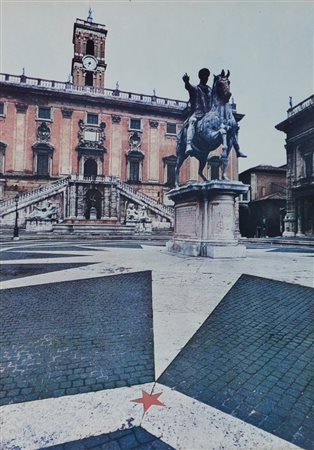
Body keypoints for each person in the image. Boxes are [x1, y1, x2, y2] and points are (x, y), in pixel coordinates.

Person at [183, 68, 212, 155]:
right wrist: (186, 82)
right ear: (200, 77)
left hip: (208, 114)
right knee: (192, 121)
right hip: (197, 113)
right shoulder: (196, 88)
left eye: (207, 76)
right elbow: (189, 87)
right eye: (204, 75)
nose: (206, 77)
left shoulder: (210, 90)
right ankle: (189, 144)